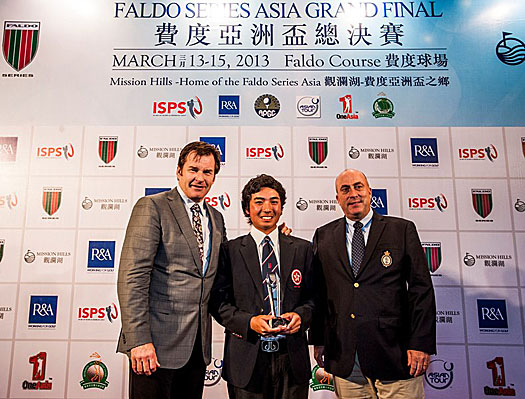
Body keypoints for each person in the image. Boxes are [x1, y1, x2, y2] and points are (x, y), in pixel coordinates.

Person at [310, 169, 436, 399]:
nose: (353, 194)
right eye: (345, 189)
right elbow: (320, 293)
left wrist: (420, 344)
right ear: (337, 198)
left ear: (369, 192)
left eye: (358, 187)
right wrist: (319, 340)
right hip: (347, 358)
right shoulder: (324, 236)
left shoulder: (401, 230)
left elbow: (421, 289)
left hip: (396, 356)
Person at [117, 141, 226, 399]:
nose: (200, 178)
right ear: (179, 171)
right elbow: (132, 277)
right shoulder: (153, 206)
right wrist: (139, 340)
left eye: (207, 172)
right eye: (193, 170)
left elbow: (217, 276)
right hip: (154, 347)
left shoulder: (216, 218)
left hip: (197, 348)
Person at [210, 174, 315, 399]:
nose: (267, 208)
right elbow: (218, 303)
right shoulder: (229, 251)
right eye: (259, 201)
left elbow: (315, 299)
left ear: (281, 207)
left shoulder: (303, 249)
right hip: (246, 359)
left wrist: (301, 316)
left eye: (274, 201)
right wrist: (249, 322)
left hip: (292, 360)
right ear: (247, 209)